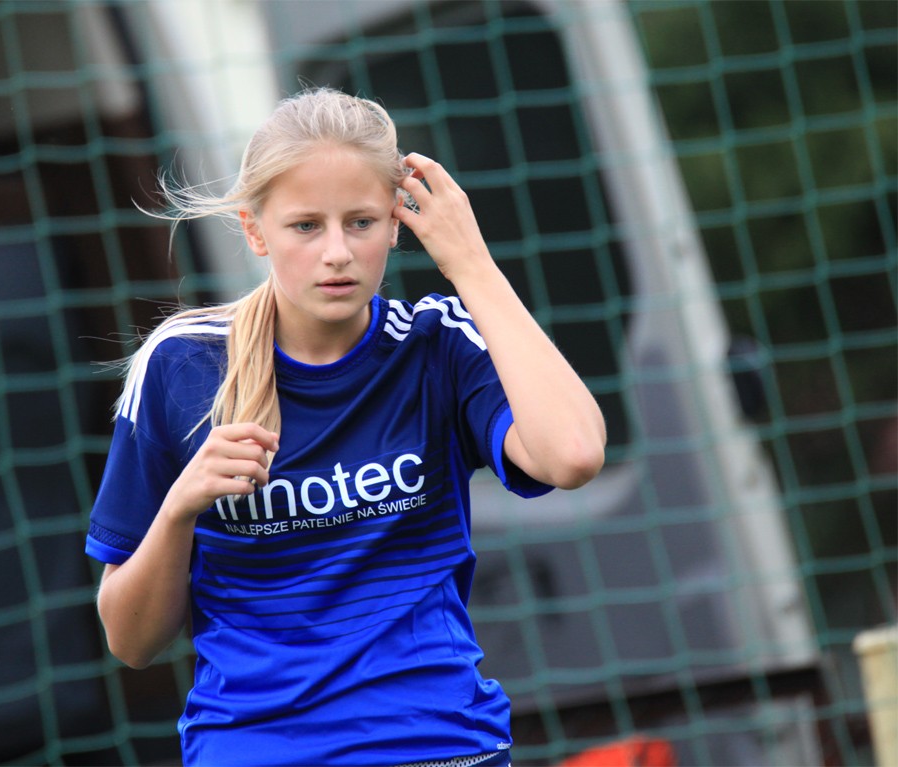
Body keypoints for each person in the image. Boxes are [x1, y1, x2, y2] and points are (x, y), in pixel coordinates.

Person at [86, 87, 606, 767]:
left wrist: (471, 263)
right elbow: (129, 640)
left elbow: (573, 454)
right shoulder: (181, 364)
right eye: (306, 226)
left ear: (395, 223)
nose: (337, 252)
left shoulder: (437, 343)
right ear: (255, 230)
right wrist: (180, 507)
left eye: (360, 222)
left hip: (439, 746)